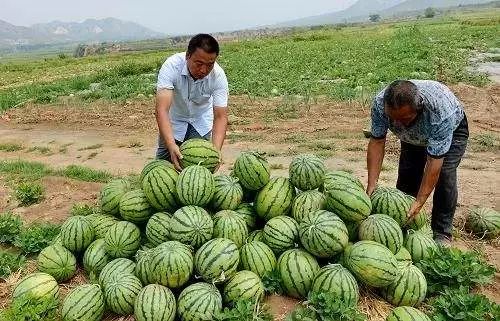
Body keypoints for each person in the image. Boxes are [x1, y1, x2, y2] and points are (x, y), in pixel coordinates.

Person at [366, 80, 469, 243]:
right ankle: (403, 225)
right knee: (408, 175)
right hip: (414, 137)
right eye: (393, 118)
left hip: (453, 132)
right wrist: (372, 184)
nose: (398, 124)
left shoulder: (439, 112)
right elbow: (377, 141)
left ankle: (442, 232)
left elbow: (434, 161)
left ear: (419, 109)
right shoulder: (380, 104)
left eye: (404, 118)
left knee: (444, 175)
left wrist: (420, 201)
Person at [155, 33, 229, 170]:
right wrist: (171, 145)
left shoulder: (218, 76)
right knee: (161, 169)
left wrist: (216, 152)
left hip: (200, 123)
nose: (203, 70)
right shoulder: (171, 67)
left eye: (209, 65)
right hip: (174, 123)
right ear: (188, 56)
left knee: (198, 174)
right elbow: (162, 110)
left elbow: (221, 116)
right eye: (199, 63)